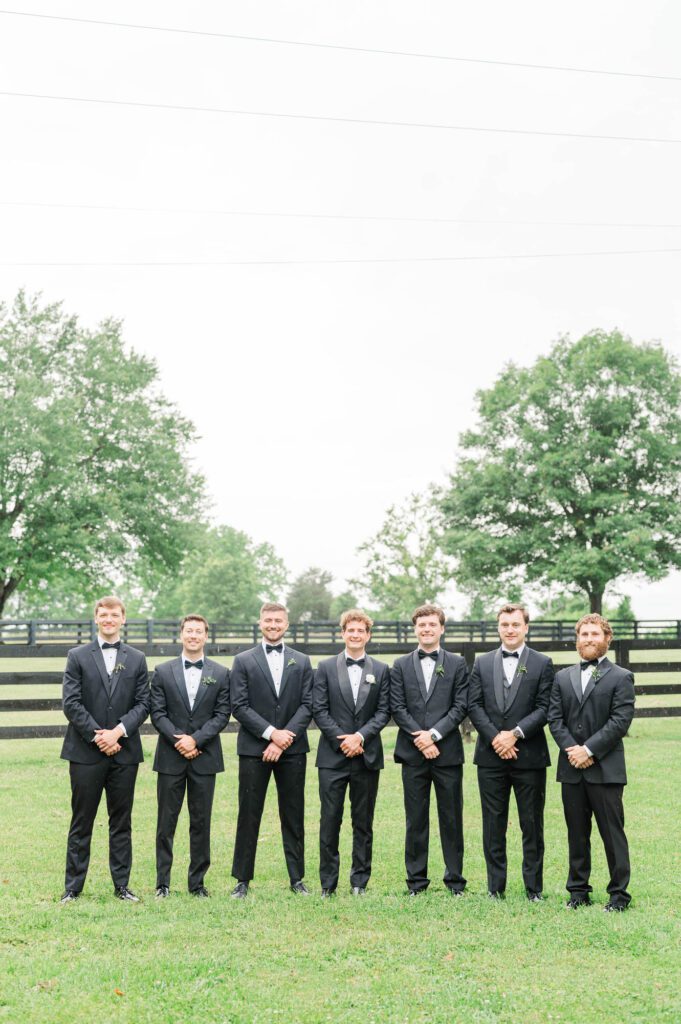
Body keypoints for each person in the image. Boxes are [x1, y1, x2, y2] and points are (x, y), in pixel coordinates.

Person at [60, 595, 150, 903]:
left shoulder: (137, 658)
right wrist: (98, 735)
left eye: (114, 614)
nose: (109, 618)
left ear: (123, 618)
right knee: (81, 820)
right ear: (96, 618)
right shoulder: (77, 656)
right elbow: (70, 702)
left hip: (124, 752)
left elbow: (143, 703)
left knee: (121, 821)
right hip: (85, 752)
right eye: (103, 614)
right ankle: (73, 888)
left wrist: (118, 732)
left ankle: (122, 886)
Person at [467, 603, 554, 901]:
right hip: (491, 757)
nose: (510, 629)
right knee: (493, 823)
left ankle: (533, 889)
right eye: (505, 624)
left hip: (529, 755)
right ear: (499, 627)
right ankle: (495, 887)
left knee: (532, 823)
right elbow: (474, 705)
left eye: (516, 624)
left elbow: (545, 707)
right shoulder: (482, 662)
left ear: (526, 627)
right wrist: (496, 738)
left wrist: (515, 734)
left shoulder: (543, 663)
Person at [548, 614, 635, 911]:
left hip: (606, 770)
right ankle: (578, 891)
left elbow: (620, 721)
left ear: (607, 638)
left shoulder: (621, 677)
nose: (588, 638)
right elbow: (555, 719)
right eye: (583, 633)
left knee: (612, 834)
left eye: (594, 633)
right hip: (571, 769)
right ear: (577, 639)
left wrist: (589, 750)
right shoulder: (562, 677)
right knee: (576, 833)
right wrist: (573, 749)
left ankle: (619, 895)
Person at [229, 602, 314, 897]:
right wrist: (270, 734)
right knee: (249, 812)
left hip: (292, 749)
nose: (273, 625)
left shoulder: (301, 661)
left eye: (279, 620)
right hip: (255, 748)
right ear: (260, 622)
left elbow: (308, 704)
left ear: (286, 624)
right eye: (268, 620)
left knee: (293, 813)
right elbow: (238, 705)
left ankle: (297, 878)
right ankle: (242, 879)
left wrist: (284, 738)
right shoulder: (243, 660)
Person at [390, 604, 469, 895]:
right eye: (421, 625)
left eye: (432, 625)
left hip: (446, 752)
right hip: (412, 754)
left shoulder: (457, 664)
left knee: (451, 818)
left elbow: (461, 705)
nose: (427, 630)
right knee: (415, 819)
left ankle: (455, 881)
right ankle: (416, 882)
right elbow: (396, 706)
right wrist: (419, 738)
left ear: (441, 628)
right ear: (415, 629)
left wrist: (434, 735)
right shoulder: (400, 665)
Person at [150, 613, 230, 898]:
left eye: (199, 631)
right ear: (181, 635)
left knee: (201, 822)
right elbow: (157, 713)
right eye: (189, 631)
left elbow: (222, 714)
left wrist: (196, 740)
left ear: (205, 636)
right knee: (166, 823)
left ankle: (197, 883)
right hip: (171, 758)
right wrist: (179, 740)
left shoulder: (221, 674)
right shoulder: (162, 671)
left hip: (205, 758)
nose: (193, 636)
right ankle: (163, 883)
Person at [313, 609, 390, 897]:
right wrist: (341, 739)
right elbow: (318, 709)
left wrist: (360, 737)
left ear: (368, 635)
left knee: (363, 821)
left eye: (361, 631)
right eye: (350, 630)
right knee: (330, 819)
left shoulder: (381, 670)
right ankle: (328, 883)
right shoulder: (324, 667)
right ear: (342, 633)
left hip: (367, 756)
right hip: (333, 757)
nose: (355, 635)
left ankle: (359, 881)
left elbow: (384, 711)